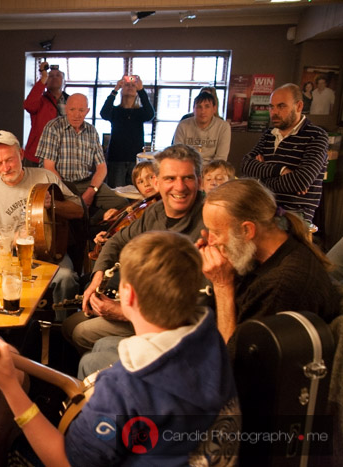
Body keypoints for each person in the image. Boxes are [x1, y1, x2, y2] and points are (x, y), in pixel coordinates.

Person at [0, 231, 240, 466]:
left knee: (18, 451)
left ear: (128, 295)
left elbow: (64, 461)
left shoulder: (124, 389)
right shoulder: (210, 338)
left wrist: (10, 386)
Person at [64, 144, 205, 362]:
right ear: (156, 182)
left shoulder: (208, 222)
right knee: (68, 325)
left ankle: (108, 372)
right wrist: (98, 275)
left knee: (82, 334)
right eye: (170, 179)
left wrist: (124, 312)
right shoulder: (155, 211)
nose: (180, 187)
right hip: (143, 304)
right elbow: (116, 241)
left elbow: (194, 307)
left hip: (169, 324)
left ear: (199, 180)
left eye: (188, 178)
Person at [198, 178, 340, 348]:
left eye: (216, 232)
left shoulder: (281, 286)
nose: (211, 241)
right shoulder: (265, 252)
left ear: (247, 230)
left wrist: (222, 285)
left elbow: (234, 364)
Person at [0, 130, 84, 305]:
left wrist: (53, 206)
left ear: (21, 154)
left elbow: (79, 211)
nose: (5, 168)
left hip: (51, 254)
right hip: (12, 260)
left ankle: (63, 329)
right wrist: (16, 239)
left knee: (66, 278)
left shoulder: (44, 176)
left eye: (10, 160)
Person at [240, 83, 329, 223]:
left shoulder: (317, 136)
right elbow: (245, 165)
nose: (274, 112)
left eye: (281, 106)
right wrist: (280, 170)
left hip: (294, 214)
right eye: (271, 107)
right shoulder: (269, 134)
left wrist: (261, 179)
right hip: (263, 207)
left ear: (299, 106)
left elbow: (300, 182)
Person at [36, 93, 128, 225]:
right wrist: (70, 195)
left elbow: (102, 168)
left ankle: (92, 225)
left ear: (87, 111)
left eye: (81, 110)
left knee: (121, 204)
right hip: (61, 183)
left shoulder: (91, 131)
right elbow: (49, 167)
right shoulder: (53, 127)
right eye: (72, 110)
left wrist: (91, 192)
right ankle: (86, 225)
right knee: (74, 210)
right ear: (65, 109)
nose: (76, 114)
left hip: (86, 182)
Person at [100, 75, 155, 188]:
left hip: (136, 158)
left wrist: (141, 90)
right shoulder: (115, 111)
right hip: (116, 158)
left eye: (133, 85)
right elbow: (104, 113)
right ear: (122, 89)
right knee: (116, 191)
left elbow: (150, 114)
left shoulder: (140, 112)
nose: (130, 87)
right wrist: (115, 89)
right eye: (127, 85)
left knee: (136, 191)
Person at [92, 161, 157, 250]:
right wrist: (116, 216)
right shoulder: (140, 205)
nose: (146, 184)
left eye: (150, 177)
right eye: (140, 182)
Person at [23, 62, 69, 167]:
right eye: (51, 76)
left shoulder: (70, 101)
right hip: (37, 154)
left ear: (64, 81)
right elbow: (28, 105)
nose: (54, 78)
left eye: (58, 75)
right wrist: (43, 77)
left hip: (62, 155)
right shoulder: (40, 101)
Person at [174, 91, 232, 162]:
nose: (203, 111)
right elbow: (179, 154)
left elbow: (221, 158)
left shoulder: (223, 126)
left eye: (207, 106)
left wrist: (209, 172)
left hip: (213, 169)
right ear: (194, 109)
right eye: (199, 107)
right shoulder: (183, 125)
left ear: (214, 109)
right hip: (189, 168)